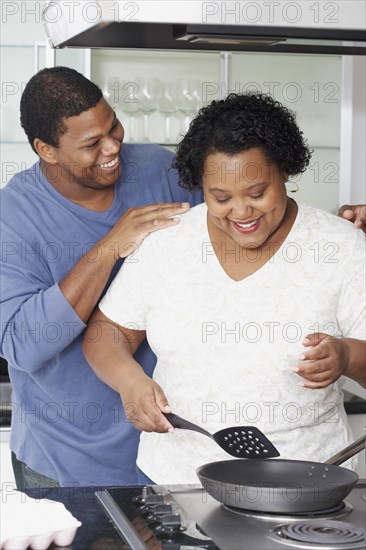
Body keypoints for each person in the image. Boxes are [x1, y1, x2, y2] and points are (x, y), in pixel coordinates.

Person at [83, 93, 366, 485]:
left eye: (257, 193)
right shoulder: (168, 242)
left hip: (306, 482)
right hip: (175, 480)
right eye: (221, 198)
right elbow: (105, 333)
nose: (241, 212)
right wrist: (128, 380)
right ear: (200, 184)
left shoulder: (342, 246)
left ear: (284, 171)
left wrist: (347, 356)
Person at [0, 66, 203, 488]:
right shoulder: (12, 217)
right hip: (64, 467)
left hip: (171, 457)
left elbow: (241, 227)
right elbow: (22, 344)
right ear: (47, 149)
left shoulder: (161, 170)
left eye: (114, 127)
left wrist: (338, 228)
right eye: (92, 144)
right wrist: (111, 246)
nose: (112, 147)